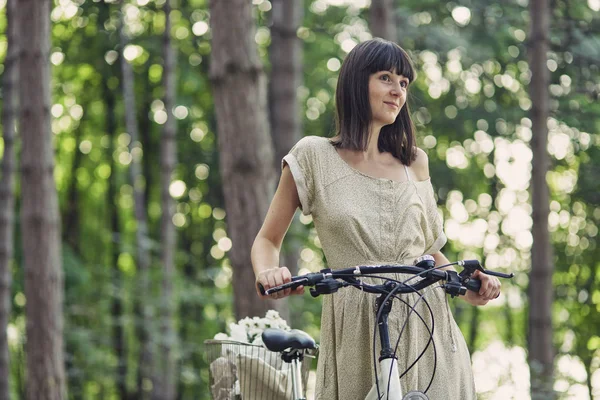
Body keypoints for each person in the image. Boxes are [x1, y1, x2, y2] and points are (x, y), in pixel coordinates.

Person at [251, 38, 501, 399]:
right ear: (357, 82)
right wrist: (267, 273)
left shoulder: (414, 162)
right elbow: (267, 240)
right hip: (357, 327)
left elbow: (431, 252)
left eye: (404, 83)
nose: (398, 90)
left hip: (427, 325)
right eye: (386, 77)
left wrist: (470, 286)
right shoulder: (313, 156)